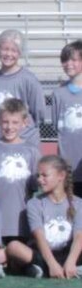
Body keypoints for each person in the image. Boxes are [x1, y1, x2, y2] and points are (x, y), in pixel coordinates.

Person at [6, 155, 82, 279]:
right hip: (43, 254)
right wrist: (52, 264)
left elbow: (79, 236)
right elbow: (39, 237)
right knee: (13, 246)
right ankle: (51, 269)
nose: (40, 180)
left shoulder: (78, 203)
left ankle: (44, 270)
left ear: (61, 176)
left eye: (45, 175)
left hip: (68, 254)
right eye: (38, 176)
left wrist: (71, 261)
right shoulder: (34, 204)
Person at [0, 98, 40, 244]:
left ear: (24, 123)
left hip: (21, 219)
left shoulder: (32, 151)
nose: (9, 127)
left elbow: (36, 186)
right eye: (5, 122)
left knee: (18, 255)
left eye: (15, 122)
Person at [0, 30, 45, 147]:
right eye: (5, 49)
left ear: (20, 53)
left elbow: (39, 112)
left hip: (25, 144)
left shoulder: (29, 79)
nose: (8, 54)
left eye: (14, 50)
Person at [51, 40, 82, 198]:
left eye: (74, 60)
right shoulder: (59, 93)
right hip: (67, 164)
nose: (68, 64)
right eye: (65, 60)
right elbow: (58, 126)